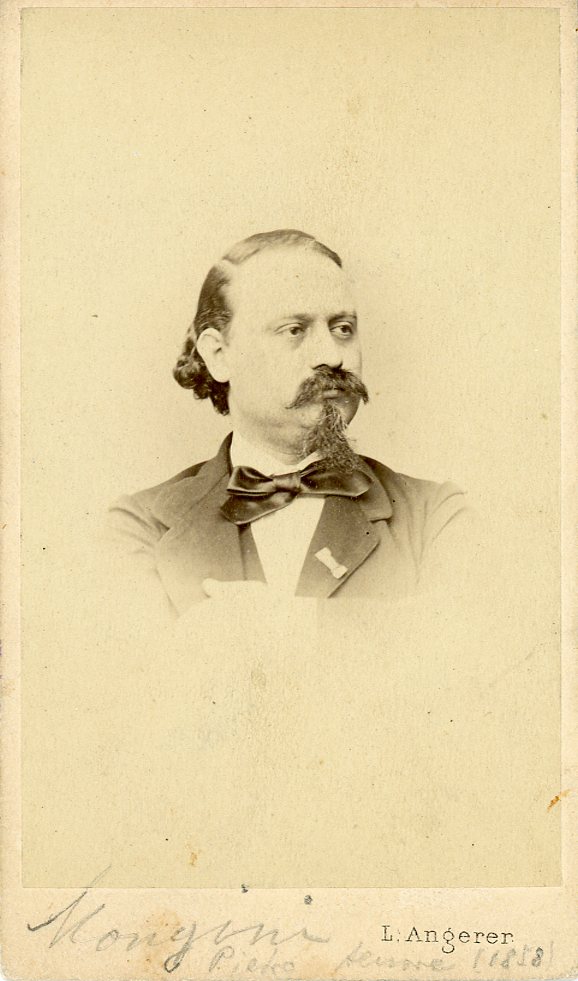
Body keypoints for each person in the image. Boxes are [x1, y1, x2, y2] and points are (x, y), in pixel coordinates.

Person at [107, 229, 472, 618]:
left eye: (343, 329)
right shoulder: (141, 525)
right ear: (218, 354)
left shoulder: (435, 515)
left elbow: (460, 643)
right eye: (294, 330)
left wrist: (282, 628)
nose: (331, 355)